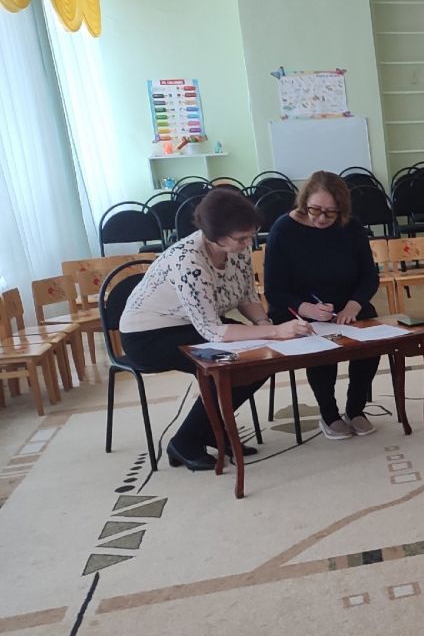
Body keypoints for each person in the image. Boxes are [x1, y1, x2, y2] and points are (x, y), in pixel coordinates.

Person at [119, 188, 312, 470]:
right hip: (148, 336)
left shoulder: (237, 250)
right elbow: (213, 332)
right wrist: (277, 332)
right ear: (215, 236)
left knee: (263, 359)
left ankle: (211, 430)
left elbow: (246, 296)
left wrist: (265, 325)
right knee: (225, 364)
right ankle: (184, 442)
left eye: (251, 235)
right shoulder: (189, 261)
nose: (248, 243)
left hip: (193, 324)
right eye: (241, 238)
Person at [264, 171, 383, 440]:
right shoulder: (283, 230)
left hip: (344, 305)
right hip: (298, 309)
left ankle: (355, 409)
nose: (321, 218)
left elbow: (369, 276)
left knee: (370, 339)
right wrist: (306, 308)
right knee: (320, 343)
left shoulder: (350, 226)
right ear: (304, 201)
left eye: (331, 213)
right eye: (315, 210)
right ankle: (329, 414)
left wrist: (353, 306)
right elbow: (274, 290)